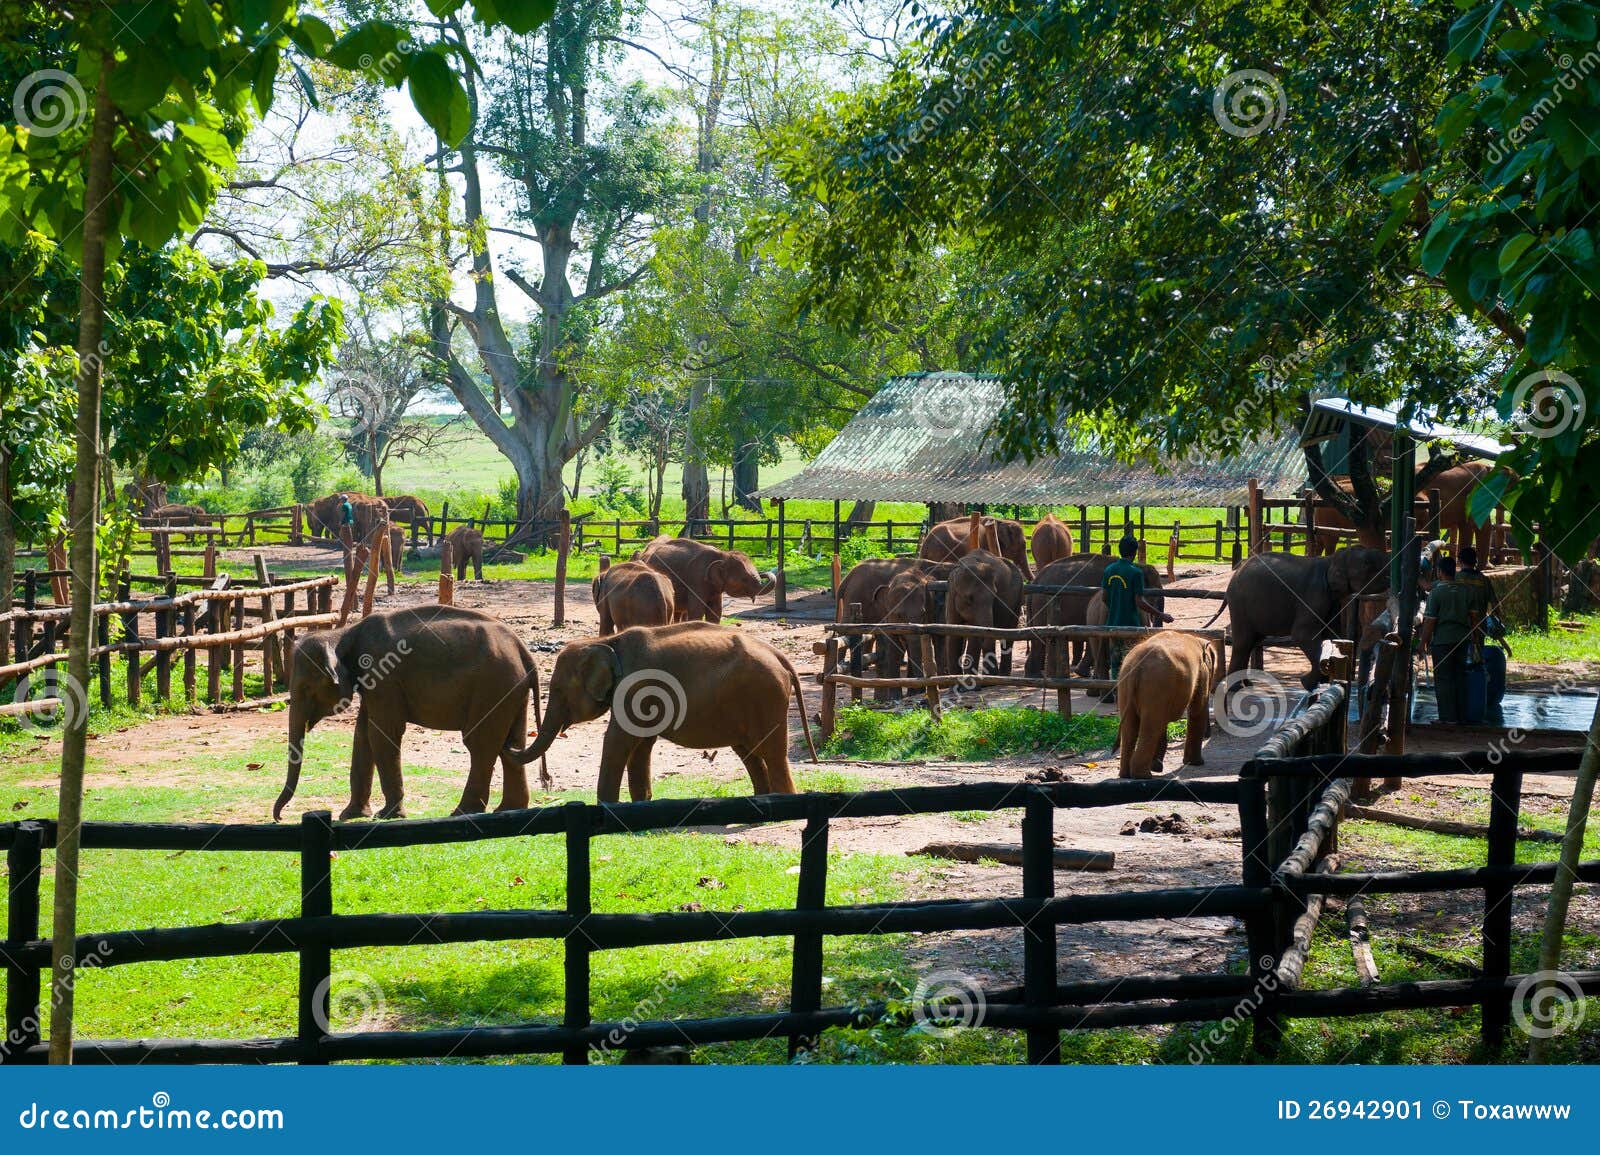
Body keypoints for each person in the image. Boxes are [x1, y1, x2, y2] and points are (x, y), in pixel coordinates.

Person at [1101, 533, 1174, 697]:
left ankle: (1119, 696)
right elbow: (1139, 601)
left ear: (1120, 550)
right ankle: (1129, 697)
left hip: (1112, 624)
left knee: (1115, 663)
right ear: (1134, 553)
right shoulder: (1135, 573)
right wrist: (1160, 615)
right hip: (1131, 625)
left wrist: (1115, 607)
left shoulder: (1109, 570)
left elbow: (1104, 597)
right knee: (1131, 663)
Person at [1418, 554, 1480, 724]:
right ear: (1455, 571)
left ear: (1439, 572)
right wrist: (1475, 639)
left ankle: (1447, 717)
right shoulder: (1467, 591)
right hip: (1462, 641)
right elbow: (1474, 619)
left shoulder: (1436, 593)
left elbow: (1430, 622)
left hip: (1442, 642)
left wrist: (1423, 643)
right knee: (1460, 677)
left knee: (1443, 679)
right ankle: (1461, 717)